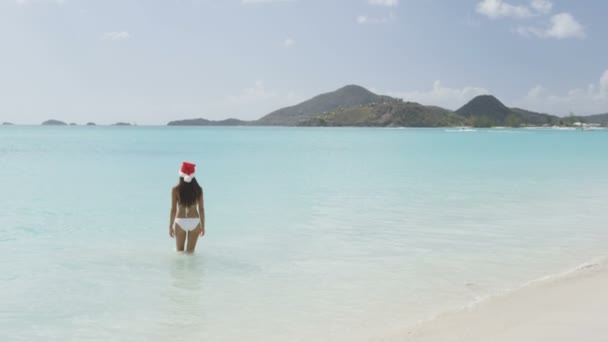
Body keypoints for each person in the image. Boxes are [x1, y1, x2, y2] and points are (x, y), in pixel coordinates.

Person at [169, 161, 205, 253]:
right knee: (190, 254)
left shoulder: (175, 189)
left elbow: (173, 210)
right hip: (195, 221)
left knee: (179, 253)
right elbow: (201, 209)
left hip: (180, 221)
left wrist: (170, 226)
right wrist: (203, 226)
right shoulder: (198, 190)